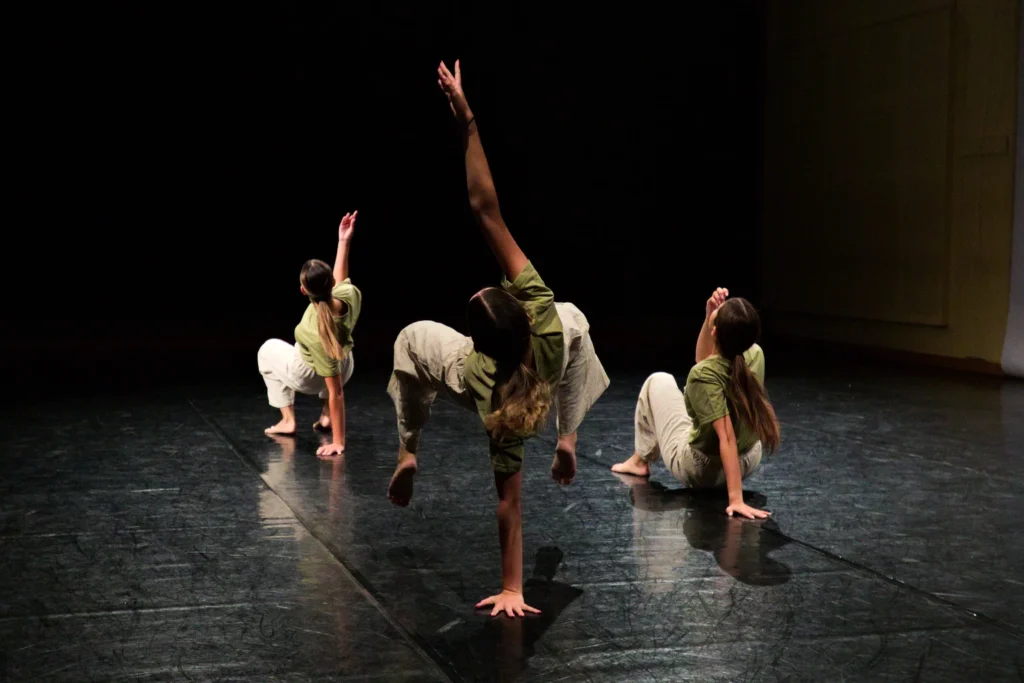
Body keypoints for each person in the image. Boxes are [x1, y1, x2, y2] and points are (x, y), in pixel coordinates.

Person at [386, 60, 609, 617]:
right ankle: (568, 436)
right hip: (544, 366)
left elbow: (509, 501)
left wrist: (514, 587)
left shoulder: (486, 386)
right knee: (574, 319)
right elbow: (488, 212)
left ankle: (408, 449)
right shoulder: (542, 313)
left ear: (479, 343)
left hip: (491, 387)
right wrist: (469, 120)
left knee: (410, 340)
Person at [611, 288, 780, 520]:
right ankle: (639, 460)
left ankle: (640, 460)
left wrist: (736, 499)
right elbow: (704, 360)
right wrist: (710, 315)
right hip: (749, 458)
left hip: (704, 470)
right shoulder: (754, 353)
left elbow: (727, 437)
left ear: (715, 331)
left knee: (658, 380)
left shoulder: (702, 375)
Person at [258, 212, 362, 458]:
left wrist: (338, 442)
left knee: (267, 350)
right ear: (331, 284)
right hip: (345, 364)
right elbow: (341, 279)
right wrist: (344, 241)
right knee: (329, 371)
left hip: (312, 374)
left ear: (303, 291)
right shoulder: (349, 294)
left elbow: (337, 392)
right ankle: (326, 416)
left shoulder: (319, 333)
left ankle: (288, 421)